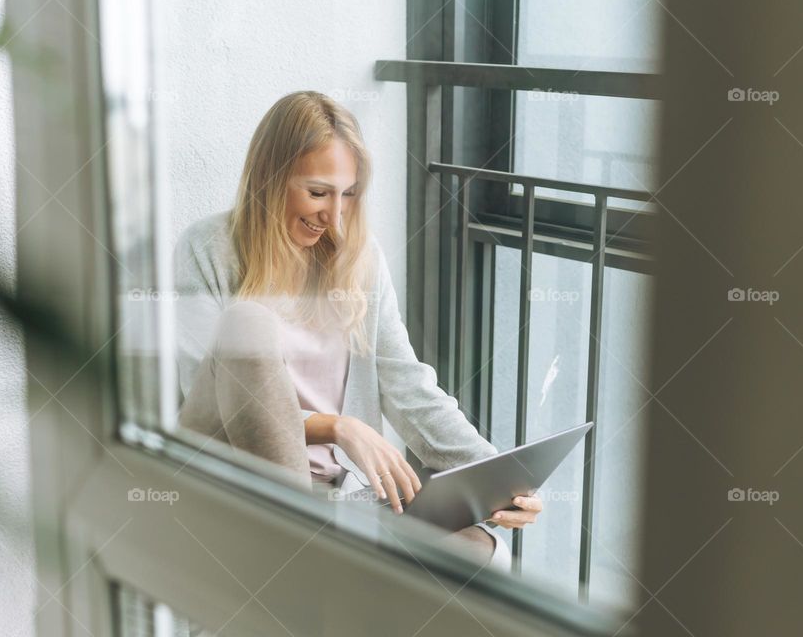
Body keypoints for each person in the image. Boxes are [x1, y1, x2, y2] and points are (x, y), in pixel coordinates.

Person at [174, 90, 542, 570]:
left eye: (347, 194)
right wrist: (337, 427)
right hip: (245, 486)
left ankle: (323, 563)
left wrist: (496, 477)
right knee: (249, 322)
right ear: (269, 179)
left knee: (485, 559)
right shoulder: (206, 249)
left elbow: (408, 386)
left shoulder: (359, 260)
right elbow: (204, 390)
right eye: (317, 192)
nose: (334, 215)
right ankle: (303, 556)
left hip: (345, 498)